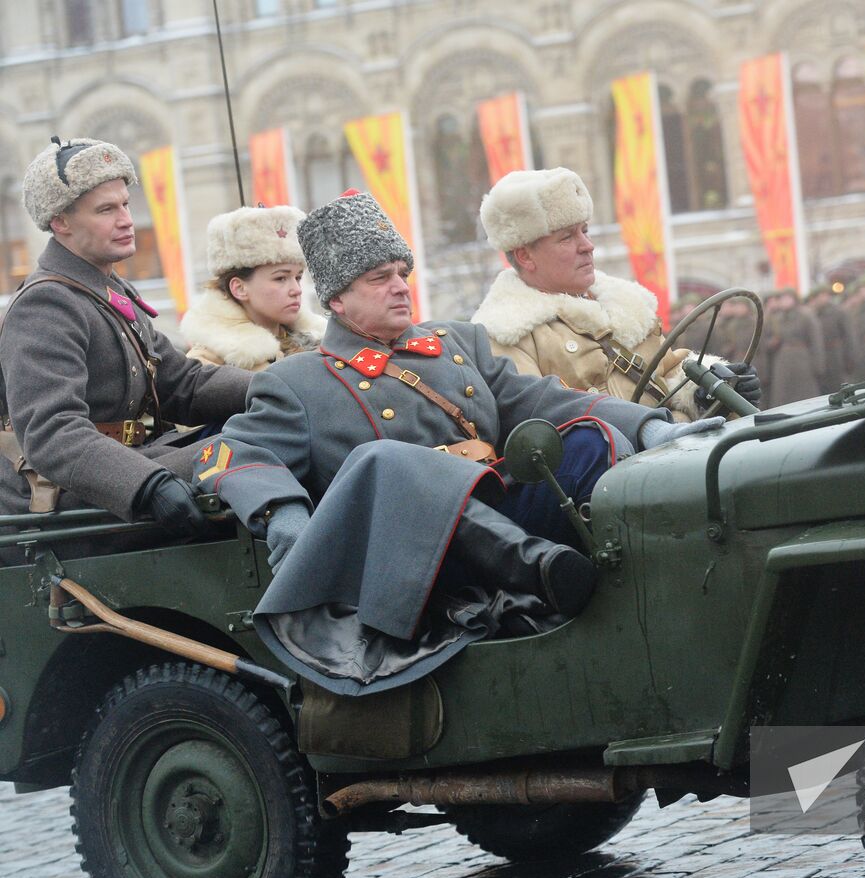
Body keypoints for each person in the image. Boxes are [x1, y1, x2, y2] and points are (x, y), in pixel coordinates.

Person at [195, 189, 721, 694]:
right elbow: (234, 453)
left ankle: (640, 575)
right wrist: (285, 516)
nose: (401, 287)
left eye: (403, 274)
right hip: (416, 555)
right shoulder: (298, 381)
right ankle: (541, 569)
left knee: (590, 438)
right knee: (390, 462)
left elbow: (541, 398)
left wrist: (652, 427)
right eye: (380, 279)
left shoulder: (455, 344)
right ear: (337, 297)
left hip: (498, 502)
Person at [0, 136, 250, 531]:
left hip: (129, 468)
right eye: (106, 210)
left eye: (125, 204)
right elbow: (53, 434)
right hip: (70, 504)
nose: (126, 219)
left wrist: (273, 387)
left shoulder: (106, 290)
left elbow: (180, 383)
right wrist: (145, 485)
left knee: (266, 432)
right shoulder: (46, 304)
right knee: (249, 451)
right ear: (60, 222)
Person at [472, 168, 759, 420]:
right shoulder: (504, 336)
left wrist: (707, 389)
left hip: (682, 455)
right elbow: (541, 421)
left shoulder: (625, 306)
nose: (588, 245)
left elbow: (668, 370)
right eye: (567, 237)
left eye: (584, 231)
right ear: (525, 256)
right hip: (615, 473)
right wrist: (644, 430)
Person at [181, 205, 325, 371]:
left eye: (298, 277)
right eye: (280, 278)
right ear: (239, 288)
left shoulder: (323, 342)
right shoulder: (204, 366)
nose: (296, 290)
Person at [761, 289, 826, 406]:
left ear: (794, 299)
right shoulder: (775, 318)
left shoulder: (806, 316)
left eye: (787, 298)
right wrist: (772, 342)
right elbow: (764, 340)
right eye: (782, 299)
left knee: (805, 393)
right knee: (782, 395)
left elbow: (816, 341)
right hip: (782, 360)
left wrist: (818, 365)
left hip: (802, 359)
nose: (784, 302)